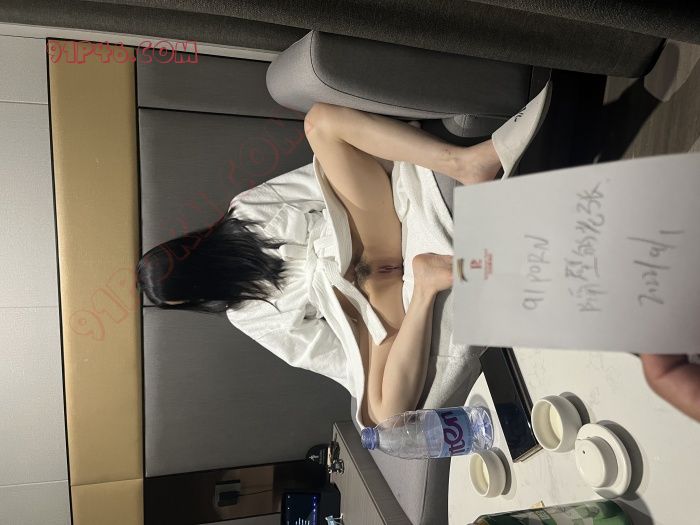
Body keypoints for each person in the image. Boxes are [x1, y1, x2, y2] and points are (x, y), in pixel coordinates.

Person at [136, 83, 553, 429]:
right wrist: (370, 376)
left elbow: (322, 182)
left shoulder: (244, 218)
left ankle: (462, 164)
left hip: (369, 236)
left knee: (319, 123)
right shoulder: (246, 307)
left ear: (192, 294)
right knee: (384, 416)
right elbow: (326, 351)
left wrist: (383, 162)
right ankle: (425, 285)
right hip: (370, 294)